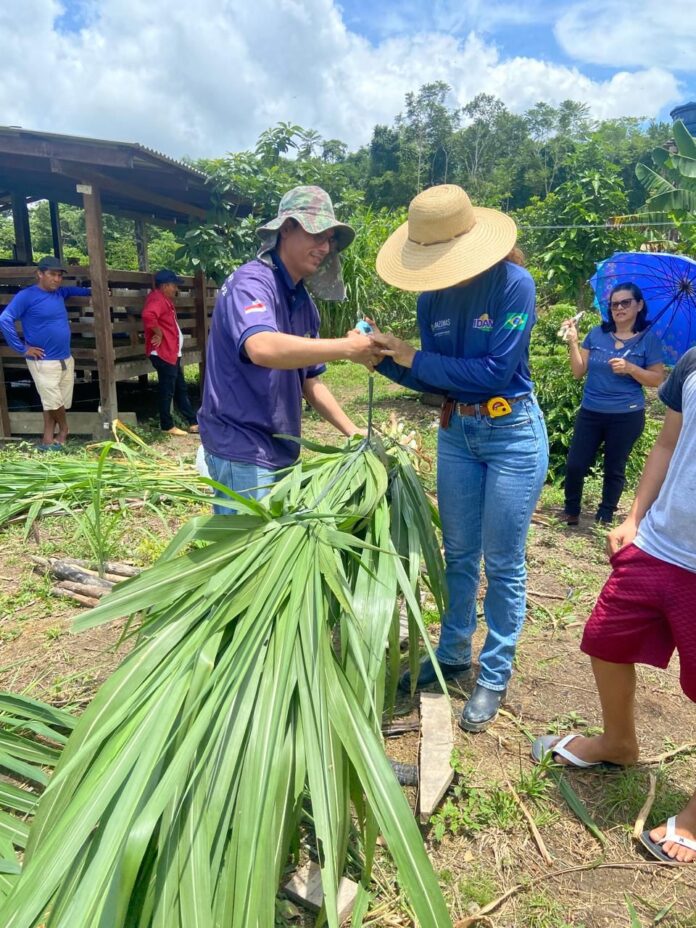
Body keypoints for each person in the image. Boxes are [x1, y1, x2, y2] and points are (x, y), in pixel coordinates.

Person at [371, 184, 549, 732]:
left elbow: (495, 373)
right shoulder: (431, 300)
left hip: (511, 432)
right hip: (457, 434)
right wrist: (382, 360)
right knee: (459, 554)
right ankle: (452, 654)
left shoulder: (513, 285)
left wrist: (413, 355)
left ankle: (493, 671)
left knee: (503, 560)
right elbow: (436, 377)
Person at [532, 347, 696, 865]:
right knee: (606, 638)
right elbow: (668, 443)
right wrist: (634, 517)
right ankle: (618, 742)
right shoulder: (693, 361)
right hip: (661, 542)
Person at [197, 185, 381, 513]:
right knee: (252, 545)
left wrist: (352, 431)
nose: (324, 247)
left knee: (275, 544)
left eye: (329, 240)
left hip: (281, 449)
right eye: (317, 235)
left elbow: (310, 381)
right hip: (242, 447)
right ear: (286, 229)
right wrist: (347, 347)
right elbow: (261, 347)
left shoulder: (303, 302)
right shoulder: (251, 283)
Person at [562, 283, 664, 525]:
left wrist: (631, 368)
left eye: (625, 302)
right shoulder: (597, 334)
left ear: (639, 305)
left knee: (614, 467)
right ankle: (571, 510)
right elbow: (578, 371)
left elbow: (657, 379)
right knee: (575, 463)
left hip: (627, 415)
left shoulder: (648, 340)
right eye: (614, 304)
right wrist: (573, 342)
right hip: (591, 411)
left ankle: (605, 515)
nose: (619, 308)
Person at [0, 256, 91, 450]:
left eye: (59, 275)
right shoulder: (27, 296)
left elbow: (75, 290)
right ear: (39, 274)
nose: (57, 279)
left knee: (55, 401)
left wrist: (93, 290)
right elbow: (5, 319)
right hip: (43, 360)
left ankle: (47, 438)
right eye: (52, 274)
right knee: (54, 400)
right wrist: (22, 348)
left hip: (65, 358)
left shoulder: (59, 293)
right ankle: (64, 430)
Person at [142, 269, 199, 436]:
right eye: (174, 285)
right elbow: (148, 315)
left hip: (171, 352)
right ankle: (167, 425)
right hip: (163, 353)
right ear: (165, 285)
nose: (176, 289)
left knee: (180, 387)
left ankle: (193, 422)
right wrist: (158, 333)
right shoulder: (157, 299)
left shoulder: (163, 299)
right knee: (167, 390)